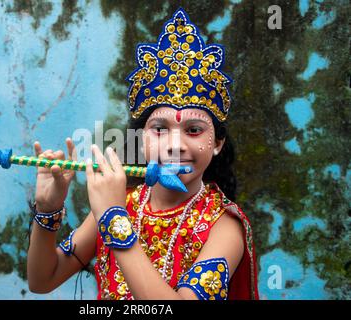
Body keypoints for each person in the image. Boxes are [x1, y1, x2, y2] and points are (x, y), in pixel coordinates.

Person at [27, 8, 259, 300]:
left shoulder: (224, 225)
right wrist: (47, 210)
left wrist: (114, 221)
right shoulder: (123, 201)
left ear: (217, 143)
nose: (176, 144)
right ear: (140, 138)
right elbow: (41, 280)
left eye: (194, 130)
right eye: (159, 129)